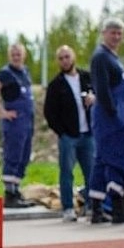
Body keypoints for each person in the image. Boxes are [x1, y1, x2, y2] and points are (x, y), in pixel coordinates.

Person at [87, 18, 124, 224]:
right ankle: (118, 208)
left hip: (115, 118)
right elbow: (102, 90)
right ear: (103, 33)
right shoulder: (101, 57)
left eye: (119, 33)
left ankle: (97, 209)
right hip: (109, 120)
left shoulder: (113, 58)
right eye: (112, 32)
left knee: (101, 162)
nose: (116, 36)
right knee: (116, 162)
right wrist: (115, 115)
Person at [42, 45, 95, 222]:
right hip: (68, 137)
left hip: (88, 134)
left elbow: (100, 95)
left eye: (67, 57)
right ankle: (68, 208)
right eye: (61, 58)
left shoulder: (87, 77)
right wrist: (62, 132)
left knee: (91, 172)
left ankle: (91, 206)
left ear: (73, 57)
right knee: (66, 173)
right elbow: (49, 113)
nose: (65, 61)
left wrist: (93, 99)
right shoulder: (56, 85)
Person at [0, 43, 36, 208]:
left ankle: (16, 190)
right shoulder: (6, 73)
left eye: (19, 54)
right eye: (13, 54)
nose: (16, 57)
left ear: (24, 55)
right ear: (9, 56)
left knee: (24, 155)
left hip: (27, 122)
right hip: (15, 123)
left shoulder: (25, 71)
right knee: (13, 155)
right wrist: (1, 112)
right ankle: (10, 194)